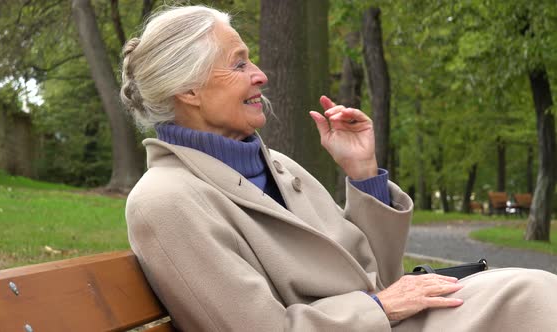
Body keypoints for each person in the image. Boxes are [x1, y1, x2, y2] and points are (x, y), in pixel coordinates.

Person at [121, 5, 557, 332]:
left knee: (531, 289)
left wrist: (363, 172)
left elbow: (379, 276)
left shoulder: (278, 166)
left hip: (381, 322)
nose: (260, 76)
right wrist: (379, 308)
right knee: (532, 294)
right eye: (239, 63)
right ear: (189, 90)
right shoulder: (165, 201)